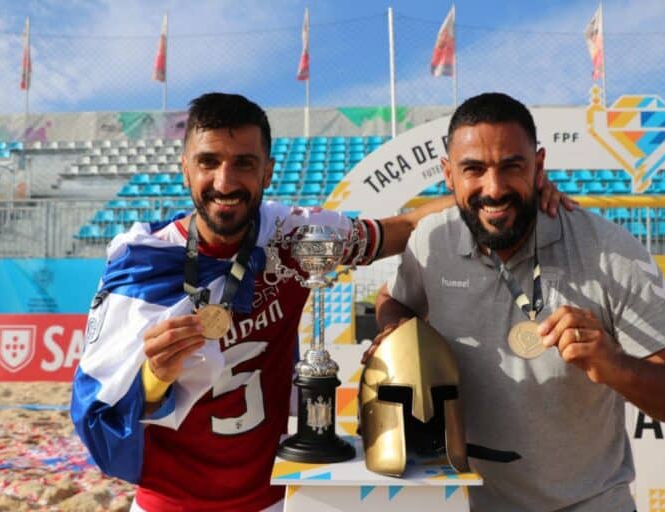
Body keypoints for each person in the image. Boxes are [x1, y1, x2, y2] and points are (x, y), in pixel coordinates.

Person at [70, 92, 570, 512]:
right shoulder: (142, 264)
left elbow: (406, 227)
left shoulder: (296, 236)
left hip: (272, 495)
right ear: (185, 169)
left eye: (243, 163)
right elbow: (102, 411)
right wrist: (154, 375)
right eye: (208, 162)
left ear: (267, 171)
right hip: (168, 502)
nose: (225, 182)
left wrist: (496, 192)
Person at [369, 92, 665, 511]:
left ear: (538, 166)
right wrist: (401, 339)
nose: (494, 188)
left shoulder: (609, 251)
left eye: (511, 166)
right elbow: (392, 298)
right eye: (474, 170)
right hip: (462, 503)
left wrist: (616, 367)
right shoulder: (433, 239)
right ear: (449, 174)